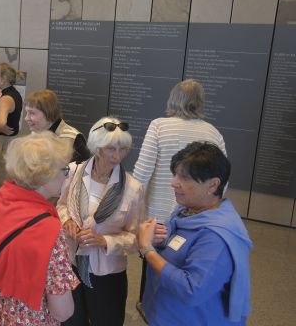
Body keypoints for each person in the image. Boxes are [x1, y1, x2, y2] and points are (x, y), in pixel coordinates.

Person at [133, 79, 227, 306]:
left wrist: (130, 212)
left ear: (172, 99)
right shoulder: (213, 133)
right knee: (184, 263)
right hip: (194, 219)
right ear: (200, 102)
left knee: (151, 256)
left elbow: (141, 174)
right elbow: (222, 183)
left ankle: (149, 306)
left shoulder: (158, 126)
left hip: (157, 215)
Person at [138, 142, 252, 325]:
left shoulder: (216, 238)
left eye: (184, 177)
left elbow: (191, 290)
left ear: (213, 185)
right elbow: (178, 249)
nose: (173, 182)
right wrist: (160, 241)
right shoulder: (187, 210)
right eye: (175, 174)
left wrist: (147, 249)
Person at [0, 131, 79, 325]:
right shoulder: (50, 230)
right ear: (44, 175)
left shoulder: (3, 196)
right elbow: (63, 311)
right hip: (27, 318)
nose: (66, 176)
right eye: (64, 170)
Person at [56, 116, 144, 326]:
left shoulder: (132, 189)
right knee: (71, 321)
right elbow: (61, 205)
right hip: (71, 264)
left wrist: (105, 241)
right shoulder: (74, 171)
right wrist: (66, 219)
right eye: (110, 149)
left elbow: (136, 238)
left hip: (107, 273)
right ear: (96, 147)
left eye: (122, 149)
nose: (117, 155)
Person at [24, 89, 91, 163]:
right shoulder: (36, 134)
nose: (26, 118)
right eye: (27, 112)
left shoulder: (72, 139)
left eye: (32, 113)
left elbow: (83, 171)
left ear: (48, 113)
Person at [0, 62, 23, 185]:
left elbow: (1, 121)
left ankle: (6, 199)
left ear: (2, 80)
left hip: (2, 141)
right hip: (9, 140)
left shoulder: (5, 99)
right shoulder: (13, 94)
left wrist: (0, 127)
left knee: (3, 174)